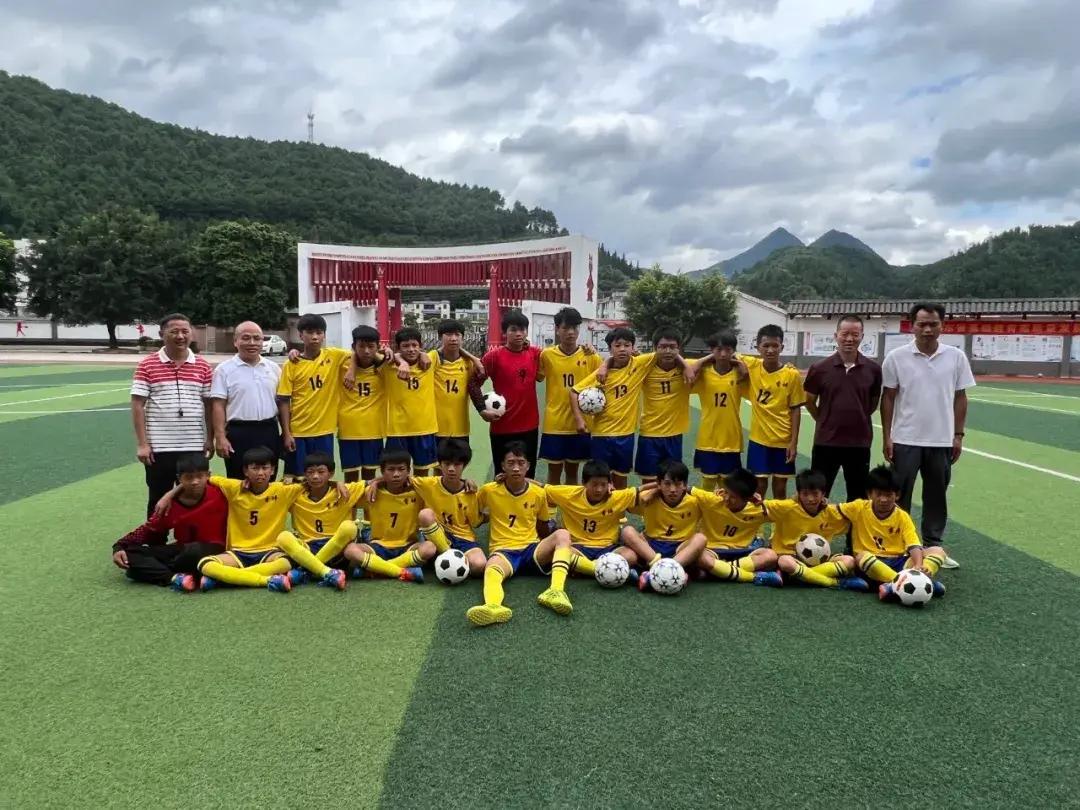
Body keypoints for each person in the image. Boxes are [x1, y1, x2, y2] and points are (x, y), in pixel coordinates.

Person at [881, 302, 974, 569]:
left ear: (942, 325)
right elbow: (888, 398)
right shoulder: (896, 357)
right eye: (922, 324)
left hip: (941, 440)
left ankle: (933, 547)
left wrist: (958, 435)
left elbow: (960, 397)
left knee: (936, 496)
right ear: (912, 326)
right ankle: (900, 545)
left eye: (933, 324)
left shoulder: (956, 357)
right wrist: (887, 436)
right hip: (905, 439)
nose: (928, 329)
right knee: (900, 496)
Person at [158, 446, 305, 593]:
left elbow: (310, 482)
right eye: (254, 468)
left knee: (286, 562)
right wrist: (169, 495)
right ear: (245, 471)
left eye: (265, 468)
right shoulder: (234, 487)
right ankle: (267, 580)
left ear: (272, 470)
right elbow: (204, 479)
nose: (260, 473)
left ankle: (226, 578)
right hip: (238, 552)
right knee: (205, 565)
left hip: (270, 551)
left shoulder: (283, 490)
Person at [466, 441, 576, 626]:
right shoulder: (489, 490)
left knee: (563, 535)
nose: (516, 468)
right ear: (502, 466)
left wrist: (550, 548)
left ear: (528, 466)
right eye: (511, 463)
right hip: (504, 551)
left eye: (520, 463)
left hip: (532, 549)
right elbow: (475, 518)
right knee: (491, 567)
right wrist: (468, 486)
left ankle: (556, 591)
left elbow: (542, 526)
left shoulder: (538, 493)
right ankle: (493, 606)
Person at [131, 313, 213, 517]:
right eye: (174, 331)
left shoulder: (203, 365)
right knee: (158, 499)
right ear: (162, 334)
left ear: (192, 333)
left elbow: (209, 406)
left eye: (185, 331)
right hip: (159, 448)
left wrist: (209, 438)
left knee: (194, 498)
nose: (180, 336)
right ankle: (156, 536)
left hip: (193, 447)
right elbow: (137, 405)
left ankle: (189, 536)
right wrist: (142, 444)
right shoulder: (147, 365)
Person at [111, 454, 226, 587]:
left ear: (208, 475)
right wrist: (118, 547)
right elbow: (147, 530)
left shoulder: (221, 492)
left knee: (194, 551)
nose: (195, 482)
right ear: (179, 478)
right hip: (181, 550)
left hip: (216, 551)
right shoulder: (169, 505)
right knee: (130, 554)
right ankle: (175, 578)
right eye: (188, 477)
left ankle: (154, 572)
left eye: (200, 476)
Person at [835, 465, 947, 599]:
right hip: (871, 565)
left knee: (937, 550)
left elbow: (913, 545)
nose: (883, 499)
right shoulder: (858, 507)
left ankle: (907, 582)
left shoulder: (902, 516)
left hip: (898, 562)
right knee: (861, 557)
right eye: (879, 494)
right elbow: (832, 511)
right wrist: (821, 504)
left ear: (897, 495)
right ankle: (909, 583)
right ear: (870, 494)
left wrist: (918, 565)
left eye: (888, 495)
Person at [803, 314, 882, 502]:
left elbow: (872, 403)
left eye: (855, 334)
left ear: (862, 337)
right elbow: (809, 401)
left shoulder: (873, 369)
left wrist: (858, 417)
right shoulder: (819, 368)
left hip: (859, 443)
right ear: (836, 336)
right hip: (826, 442)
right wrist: (824, 419)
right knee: (818, 495)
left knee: (858, 498)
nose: (849, 339)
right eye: (845, 334)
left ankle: (853, 525)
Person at [570, 327, 654, 489]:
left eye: (627, 345)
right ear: (610, 349)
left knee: (621, 478)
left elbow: (663, 353)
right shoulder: (601, 374)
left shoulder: (639, 364)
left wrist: (687, 366)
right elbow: (574, 392)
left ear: (633, 347)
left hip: (625, 435)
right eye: (617, 345)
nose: (622, 349)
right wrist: (579, 420)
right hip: (601, 435)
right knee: (599, 479)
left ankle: (620, 506)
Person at [277, 313, 351, 481]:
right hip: (298, 432)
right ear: (300, 335)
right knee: (298, 479)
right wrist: (287, 433)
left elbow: (358, 355)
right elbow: (284, 401)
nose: (315, 337)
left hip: (324, 432)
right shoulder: (292, 364)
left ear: (324, 335)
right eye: (310, 332)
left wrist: (352, 371)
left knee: (322, 477)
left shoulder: (334, 356)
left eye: (319, 332)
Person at [273, 451, 361, 589]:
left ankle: (306, 571)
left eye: (321, 472)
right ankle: (327, 572)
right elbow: (270, 488)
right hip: (308, 549)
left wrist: (337, 483)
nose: (315, 476)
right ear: (305, 474)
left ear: (331, 473)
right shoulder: (295, 493)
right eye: (310, 472)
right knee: (283, 537)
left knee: (349, 527)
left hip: (337, 549)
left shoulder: (344, 490)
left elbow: (382, 480)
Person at [768, 469, 867, 590]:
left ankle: (800, 576)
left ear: (823, 493)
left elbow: (858, 510)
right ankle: (833, 582)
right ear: (798, 493)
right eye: (805, 494)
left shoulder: (830, 512)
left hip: (820, 559)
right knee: (784, 562)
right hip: (792, 556)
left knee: (849, 561)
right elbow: (762, 507)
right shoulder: (787, 508)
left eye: (815, 494)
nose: (810, 499)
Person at [543, 459, 644, 577]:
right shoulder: (569, 494)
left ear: (609, 484)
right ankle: (603, 569)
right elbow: (540, 488)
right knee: (558, 553)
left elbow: (641, 491)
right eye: (594, 484)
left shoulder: (615, 496)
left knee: (631, 556)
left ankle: (583, 568)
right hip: (577, 547)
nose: (599, 489)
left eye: (603, 485)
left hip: (608, 548)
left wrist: (658, 485)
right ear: (584, 483)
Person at [474, 310, 545, 477]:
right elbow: (473, 383)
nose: (518, 334)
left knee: (528, 475)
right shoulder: (493, 357)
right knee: (502, 475)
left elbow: (558, 354)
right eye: (513, 329)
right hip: (502, 427)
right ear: (504, 332)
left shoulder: (535, 354)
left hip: (529, 427)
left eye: (522, 329)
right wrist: (481, 410)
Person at [210, 321, 284, 479]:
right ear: (235, 341)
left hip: (269, 431)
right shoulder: (224, 370)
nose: (252, 342)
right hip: (238, 433)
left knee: (268, 481)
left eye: (257, 338)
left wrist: (286, 433)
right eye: (246, 338)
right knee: (238, 480)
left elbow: (282, 403)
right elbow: (218, 405)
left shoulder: (274, 368)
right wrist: (220, 437)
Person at [619, 459, 707, 591]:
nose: (673, 490)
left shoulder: (695, 502)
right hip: (651, 547)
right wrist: (610, 489)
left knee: (701, 538)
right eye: (667, 484)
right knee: (627, 531)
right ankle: (670, 571)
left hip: (680, 548)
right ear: (658, 484)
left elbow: (718, 503)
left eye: (678, 484)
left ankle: (655, 572)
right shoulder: (647, 498)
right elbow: (620, 500)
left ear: (685, 485)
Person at [342, 447, 429, 579]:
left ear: (409, 471)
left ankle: (377, 569)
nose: (396, 474)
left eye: (401, 469)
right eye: (391, 469)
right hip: (378, 546)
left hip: (408, 545)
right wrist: (337, 484)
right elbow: (350, 500)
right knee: (350, 550)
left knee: (430, 547)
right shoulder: (371, 492)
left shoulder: (419, 493)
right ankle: (401, 571)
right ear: (382, 472)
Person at [741, 324, 805, 499]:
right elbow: (727, 354)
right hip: (759, 440)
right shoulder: (752, 365)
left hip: (783, 440)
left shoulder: (791, 374)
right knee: (759, 486)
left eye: (775, 345)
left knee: (780, 486)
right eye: (766, 345)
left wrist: (793, 443)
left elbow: (795, 410)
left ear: (782, 347)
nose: (770, 350)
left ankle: (779, 518)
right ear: (758, 348)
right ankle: (757, 518)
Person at [538, 307, 601, 484]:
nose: (571, 332)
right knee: (553, 473)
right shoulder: (547, 355)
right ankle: (551, 503)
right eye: (566, 328)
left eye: (575, 327)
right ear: (557, 329)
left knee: (573, 473)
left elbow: (603, 382)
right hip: (554, 424)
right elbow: (538, 376)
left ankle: (570, 504)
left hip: (580, 424)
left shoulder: (591, 356)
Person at [692, 467, 782, 586]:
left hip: (742, 552)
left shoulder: (758, 509)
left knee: (771, 555)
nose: (727, 498)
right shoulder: (712, 500)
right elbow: (684, 489)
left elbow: (789, 510)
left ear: (748, 498)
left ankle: (719, 571)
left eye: (733, 497)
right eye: (726, 492)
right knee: (699, 556)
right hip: (712, 551)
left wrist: (765, 506)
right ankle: (753, 577)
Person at [413, 438, 488, 577]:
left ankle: (440, 559)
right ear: (440, 464)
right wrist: (376, 482)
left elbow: (475, 522)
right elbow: (401, 478)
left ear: (464, 465)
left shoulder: (470, 492)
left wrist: (491, 515)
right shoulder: (428, 484)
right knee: (425, 515)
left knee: (479, 565)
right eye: (447, 464)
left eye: (457, 464)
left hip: (463, 538)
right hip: (436, 536)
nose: (451, 469)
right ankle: (448, 555)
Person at [691, 330, 749, 491]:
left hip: (731, 440)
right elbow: (690, 368)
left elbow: (758, 369)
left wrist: (740, 364)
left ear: (733, 351)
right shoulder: (704, 372)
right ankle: (705, 509)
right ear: (711, 350)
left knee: (728, 485)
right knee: (708, 484)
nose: (723, 354)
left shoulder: (739, 374)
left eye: (728, 350)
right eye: (718, 349)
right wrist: (707, 359)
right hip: (708, 439)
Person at [632, 328, 692, 483]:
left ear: (679, 348)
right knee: (649, 481)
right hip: (649, 434)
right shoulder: (644, 365)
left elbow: (714, 359)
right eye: (663, 347)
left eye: (672, 347)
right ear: (655, 348)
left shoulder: (687, 366)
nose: (668, 351)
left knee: (673, 481)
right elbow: (620, 362)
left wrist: (685, 366)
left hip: (674, 435)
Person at [382, 327, 440, 475]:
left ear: (421, 345)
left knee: (422, 474)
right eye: (405, 346)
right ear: (398, 348)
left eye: (415, 345)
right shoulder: (388, 365)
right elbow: (376, 353)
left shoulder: (430, 360)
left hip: (424, 428)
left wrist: (423, 354)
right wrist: (400, 360)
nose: (411, 349)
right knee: (397, 474)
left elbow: (453, 348)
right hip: (397, 430)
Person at [337, 325, 388, 482]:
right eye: (361, 346)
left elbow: (401, 357)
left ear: (378, 347)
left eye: (371, 346)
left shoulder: (384, 367)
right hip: (348, 429)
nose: (366, 351)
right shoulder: (342, 364)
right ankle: (352, 500)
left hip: (373, 430)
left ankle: (367, 500)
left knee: (370, 476)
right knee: (350, 476)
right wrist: (351, 368)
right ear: (353, 347)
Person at [432, 320, 484, 448]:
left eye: (457, 335)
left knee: (460, 460)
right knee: (438, 461)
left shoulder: (469, 363)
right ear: (440, 337)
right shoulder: (432, 358)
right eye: (449, 334)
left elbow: (477, 383)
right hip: (435, 428)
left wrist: (473, 358)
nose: (453, 338)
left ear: (463, 338)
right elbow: (411, 355)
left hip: (461, 427)